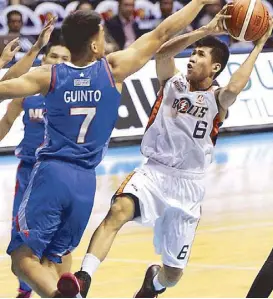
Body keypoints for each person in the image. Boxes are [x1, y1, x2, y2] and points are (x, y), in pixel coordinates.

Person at [0, 0, 219, 297]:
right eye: (101, 33)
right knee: (53, 260)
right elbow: (163, 32)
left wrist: (2, 64)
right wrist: (200, 3)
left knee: (22, 259)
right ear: (93, 45)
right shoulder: (113, 69)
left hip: (52, 174)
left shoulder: (48, 76)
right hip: (85, 183)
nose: (105, 38)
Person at [65, 7, 273, 299]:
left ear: (215, 68)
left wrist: (260, 44)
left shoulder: (217, 98)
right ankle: (83, 279)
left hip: (189, 185)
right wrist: (204, 31)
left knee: (173, 275)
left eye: (201, 55)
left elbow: (236, 86)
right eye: (193, 53)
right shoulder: (171, 83)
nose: (192, 57)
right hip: (154, 171)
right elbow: (162, 53)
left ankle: (154, 283)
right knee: (118, 210)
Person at [0, 41, 70, 298]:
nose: (58, 61)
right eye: (53, 56)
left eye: (64, 57)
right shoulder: (26, 92)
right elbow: (6, 121)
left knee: (58, 241)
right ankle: (24, 291)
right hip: (29, 171)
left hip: (60, 173)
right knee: (22, 240)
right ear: (44, 60)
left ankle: (63, 286)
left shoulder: (76, 93)